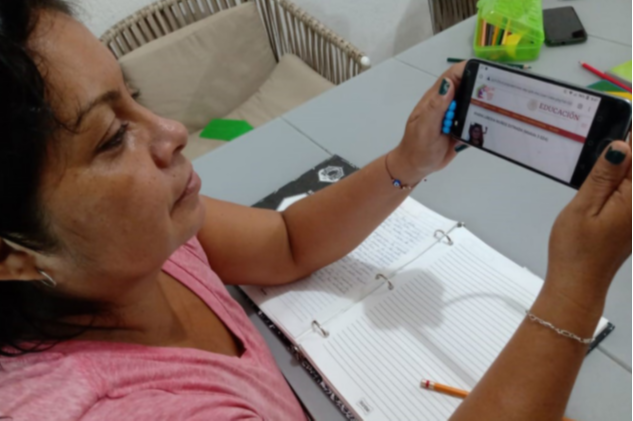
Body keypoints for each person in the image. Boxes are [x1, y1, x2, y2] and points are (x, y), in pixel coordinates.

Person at [0, 1, 631, 420]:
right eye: (113, 137)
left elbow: (284, 243)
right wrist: (578, 284)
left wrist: (407, 163)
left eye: (133, 95)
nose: (173, 131)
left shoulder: (147, 240)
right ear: (13, 254)